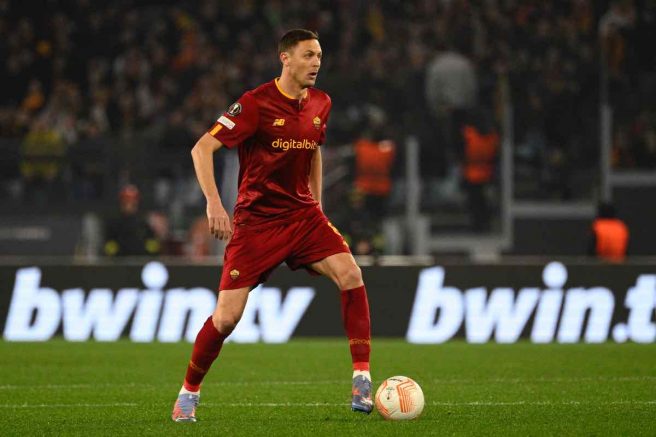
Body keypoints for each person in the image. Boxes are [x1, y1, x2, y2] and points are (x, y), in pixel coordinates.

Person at [171, 29, 373, 422]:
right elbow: (202, 148)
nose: (316, 63)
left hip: (303, 216)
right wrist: (214, 203)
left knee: (351, 274)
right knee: (226, 318)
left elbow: (314, 150)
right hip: (257, 223)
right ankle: (188, 393)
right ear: (285, 58)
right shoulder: (255, 104)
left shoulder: (321, 102)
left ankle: (361, 377)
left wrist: (318, 205)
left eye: (319, 55)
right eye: (308, 55)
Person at [103, 184, 160, 257]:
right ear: (121, 203)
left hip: (140, 261)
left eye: (132, 203)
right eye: (126, 202)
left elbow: (153, 247)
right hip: (120, 261)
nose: (129, 206)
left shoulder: (144, 224)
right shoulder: (113, 224)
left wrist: (145, 253)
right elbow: (109, 247)